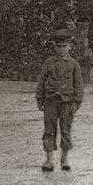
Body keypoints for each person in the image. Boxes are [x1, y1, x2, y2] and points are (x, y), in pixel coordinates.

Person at [36, 29, 84, 172]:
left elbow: (79, 85)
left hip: (67, 102)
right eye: (59, 46)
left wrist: (76, 102)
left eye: (64, 46)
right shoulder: (49, 63)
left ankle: (64, 159)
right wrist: (40, 99)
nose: (61, 49)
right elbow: (41, 81)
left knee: (65, 129)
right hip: (50, 101)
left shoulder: (74, 64)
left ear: (70, 47)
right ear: (54, 47)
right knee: (49, 130)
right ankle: (49, 159)